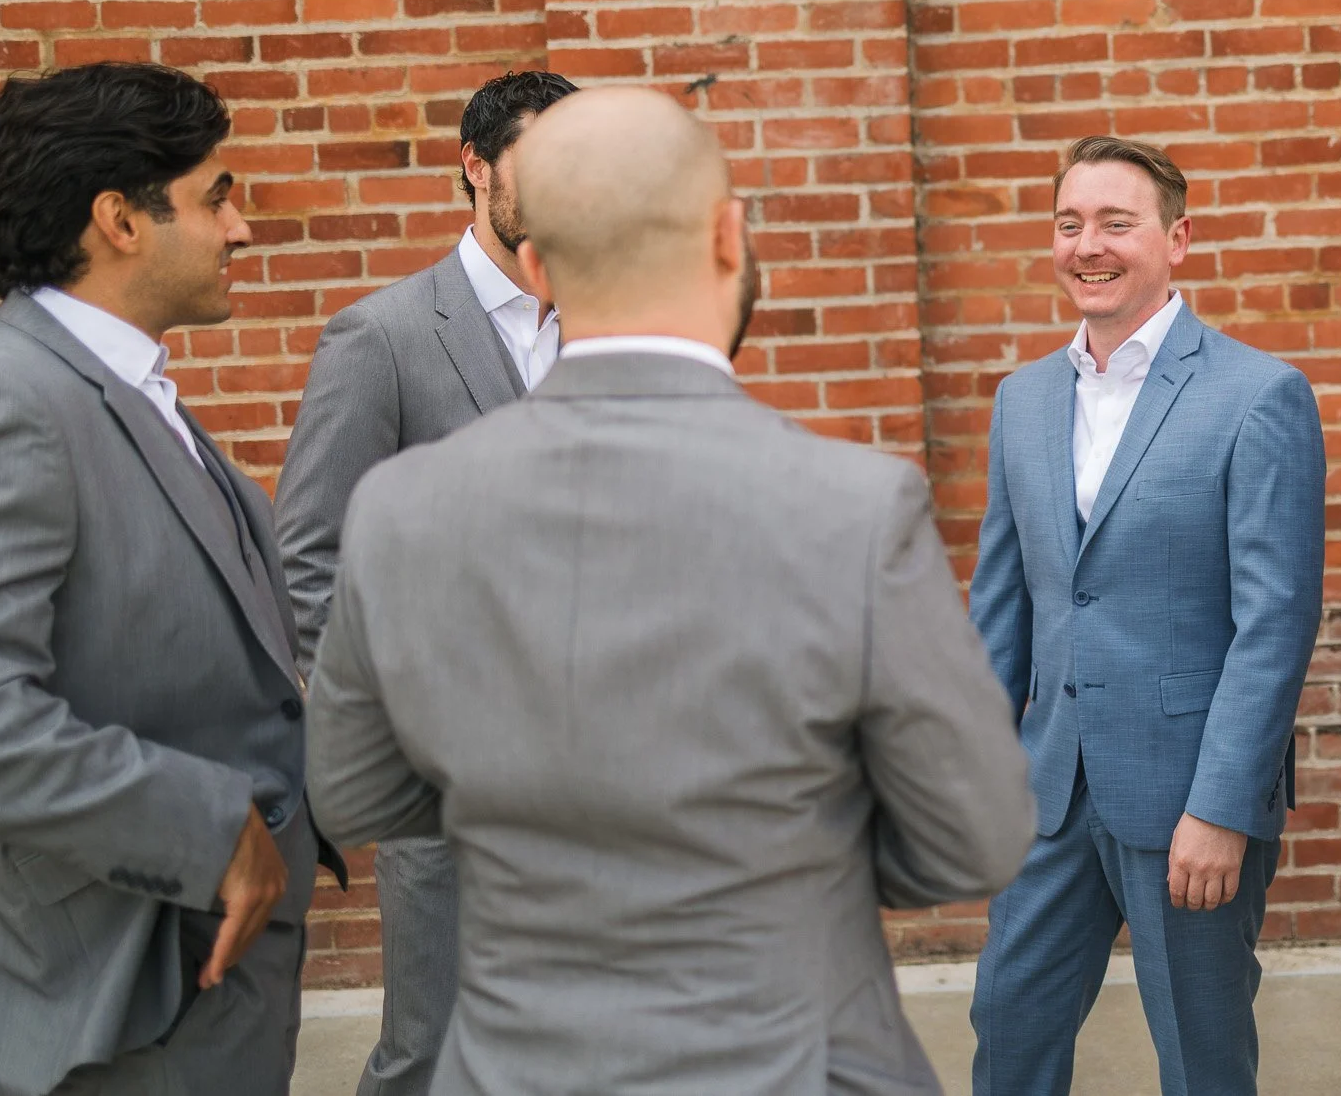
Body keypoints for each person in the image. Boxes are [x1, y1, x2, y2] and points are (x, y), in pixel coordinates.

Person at [304, 86, 1035, 1094]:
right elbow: (975, 833)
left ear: (536, 265)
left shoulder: (401, 507)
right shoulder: (853, 506)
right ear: (729, 236)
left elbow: (350, 791)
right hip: (792, 1062)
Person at [0, 62, 343, 1096]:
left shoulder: (123, 386)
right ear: (118, 219)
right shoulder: (8, 404)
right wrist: (208, 826)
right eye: (217, 196)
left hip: (205, 980)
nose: (240, 229)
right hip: (128, 992)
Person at [968, 136, 1326, 1095]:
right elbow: (1001, 605)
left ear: (1178, 239)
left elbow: (1276, 624)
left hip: (1186, 800)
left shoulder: (1258, 396)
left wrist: (1221, 805)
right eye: (1069, 222)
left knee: (1202, 1058)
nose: (1089, 245)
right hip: (1048, 794)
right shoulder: (1023, 399)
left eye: (1116, 223)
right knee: (1006, 1029)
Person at [274, 67, 575, 1096]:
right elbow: (310, 548)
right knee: (430, 1048)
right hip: (445, 767)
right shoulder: (385, 336)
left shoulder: (611, 323)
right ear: (475, 167)